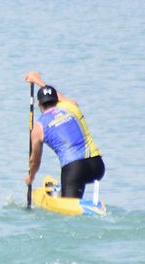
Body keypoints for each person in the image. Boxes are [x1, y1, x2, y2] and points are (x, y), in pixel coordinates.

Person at [24, 72, 105, 200]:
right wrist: (38, 81)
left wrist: (31, 177)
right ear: (57, 100)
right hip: (97, 166)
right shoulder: (71, 106)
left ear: (39, 104)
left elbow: (35, 161)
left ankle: (63, 196)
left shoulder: (38, 128)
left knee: (69, 213)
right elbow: (60, 96)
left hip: (74, 170)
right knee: (77, 186)